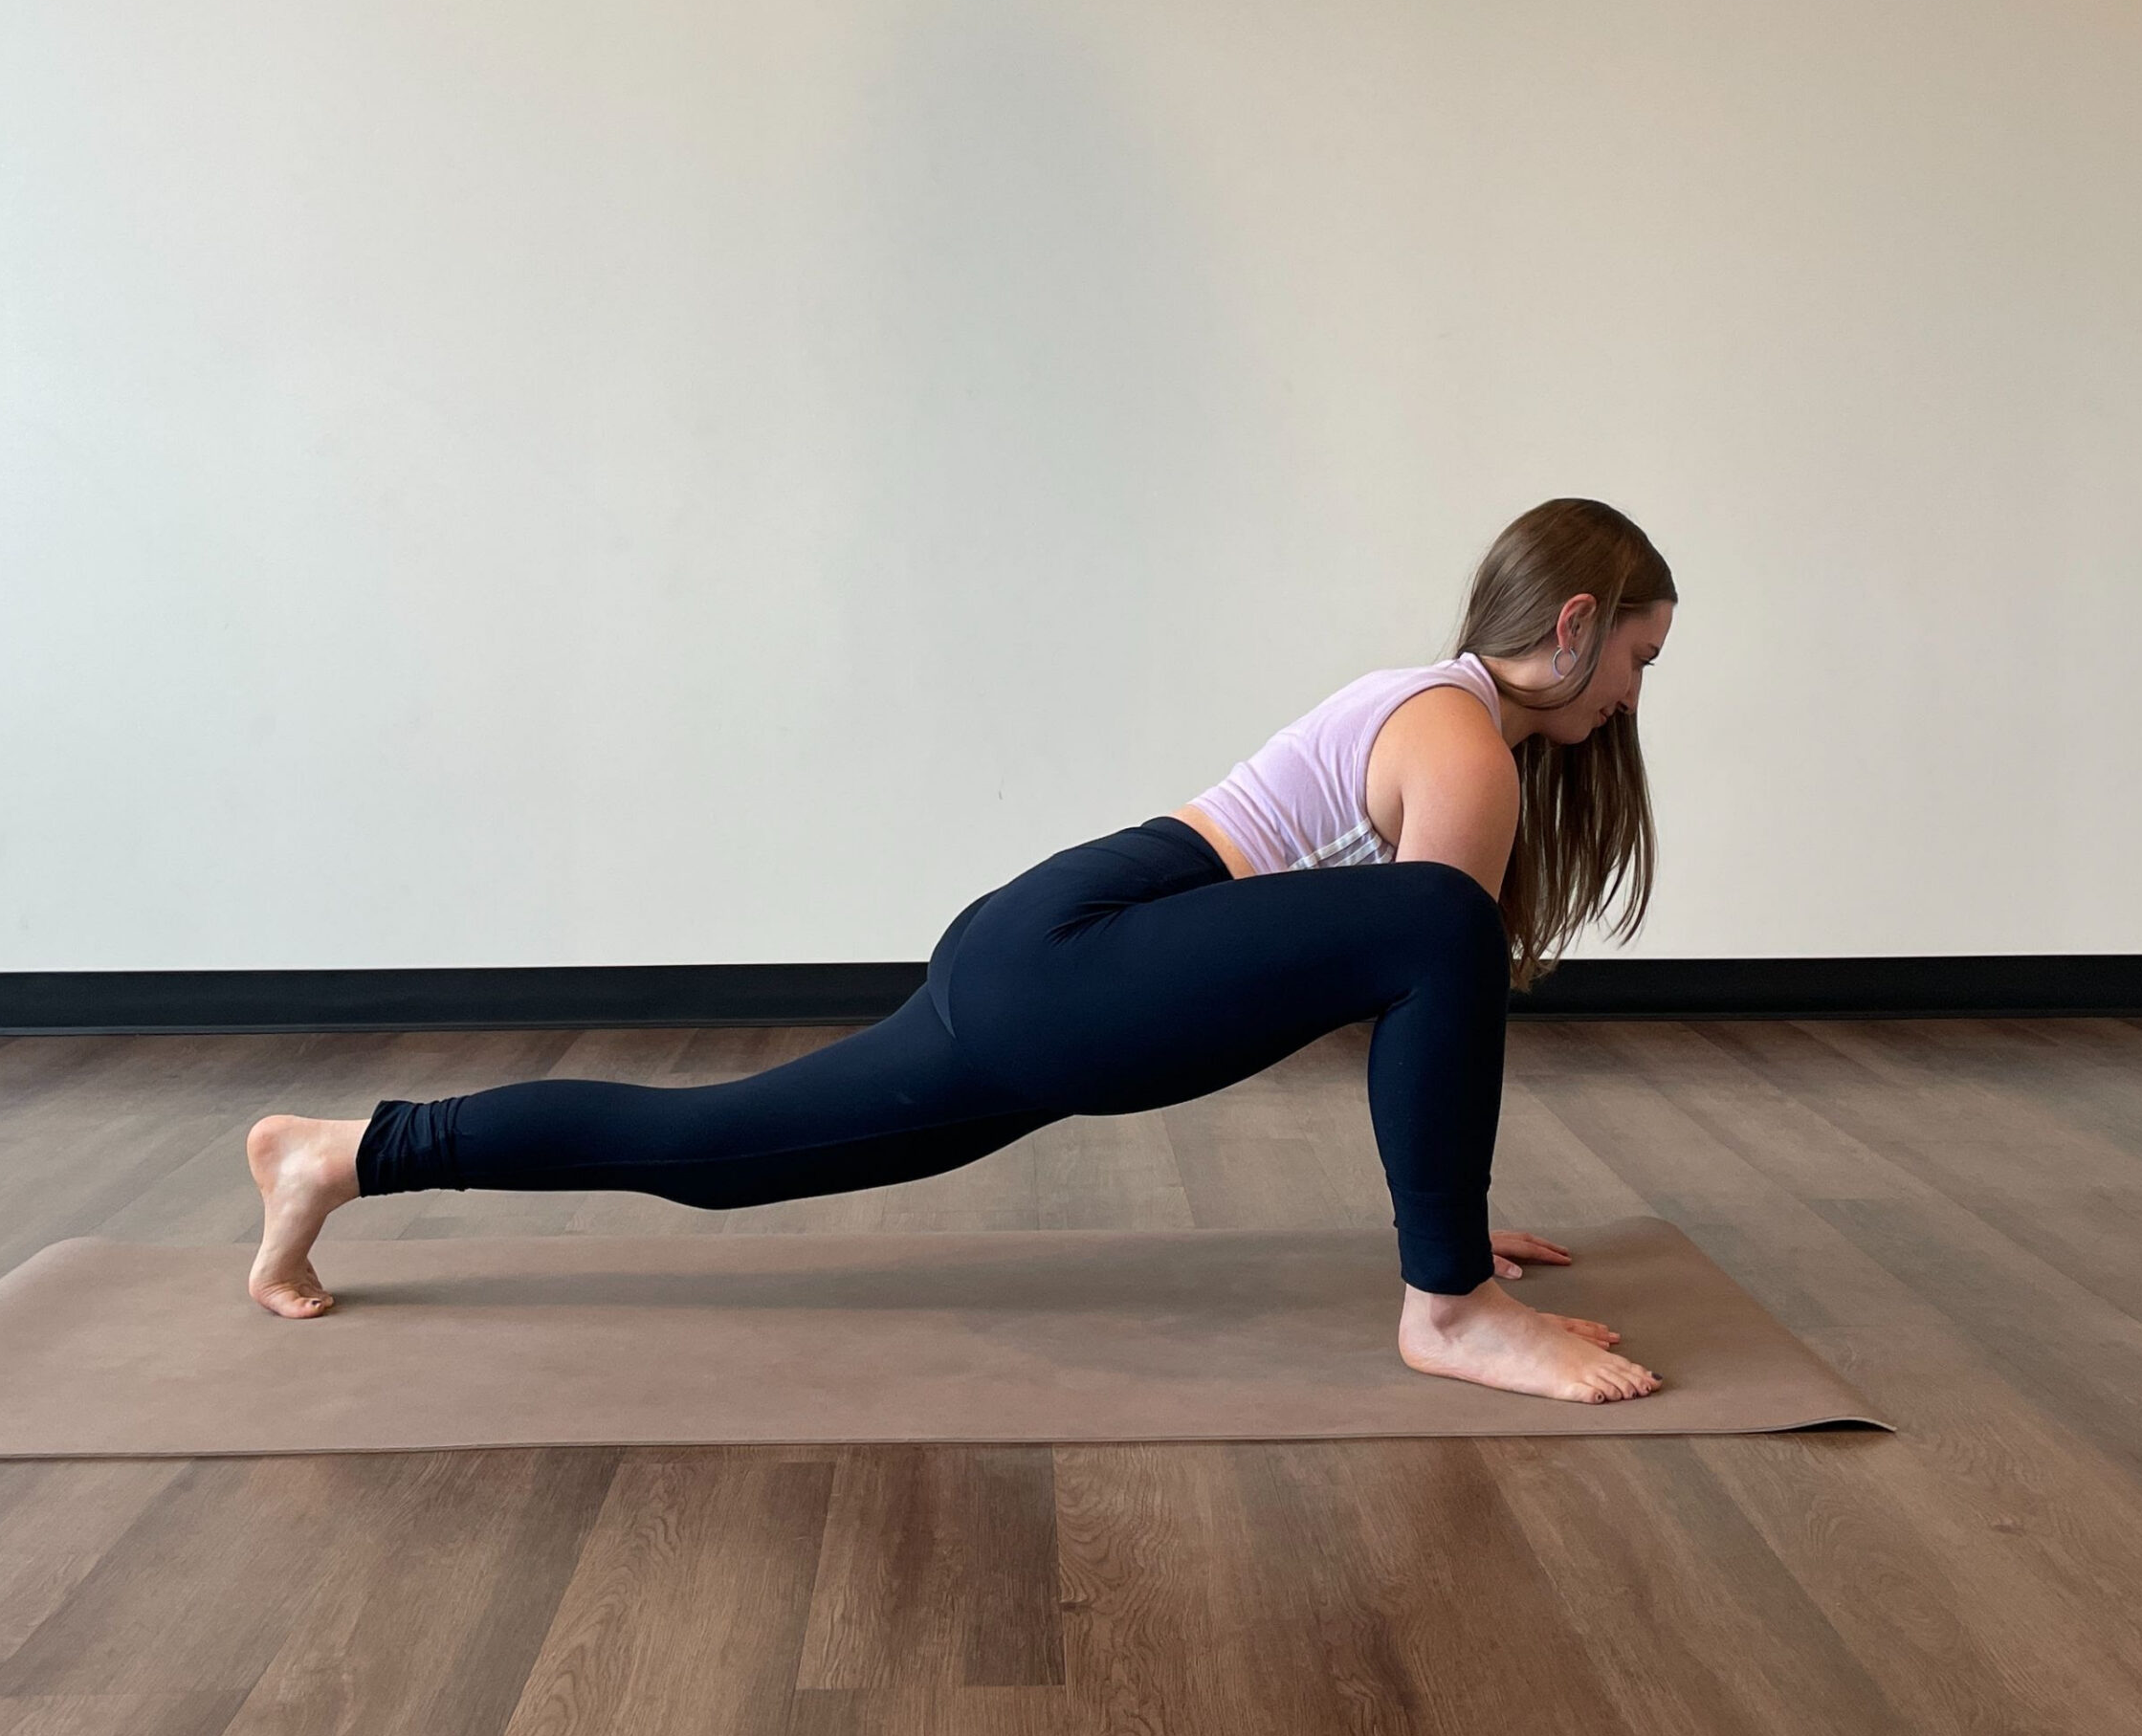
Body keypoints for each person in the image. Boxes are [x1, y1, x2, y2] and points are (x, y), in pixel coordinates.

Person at [246, 496, 1675, 1403]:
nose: (1629, 696)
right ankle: (1453, 1319)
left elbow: (1398, 1017)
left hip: (1051, 953)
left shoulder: (1434, 714)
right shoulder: (1463, 747)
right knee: (1447, 927)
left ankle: (346, 1152)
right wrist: (1446, 1264)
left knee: (716, 1153)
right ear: (1571, 624)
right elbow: (1417, 979)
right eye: (1636, 659)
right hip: (1085, 955)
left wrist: (1443, 1204)